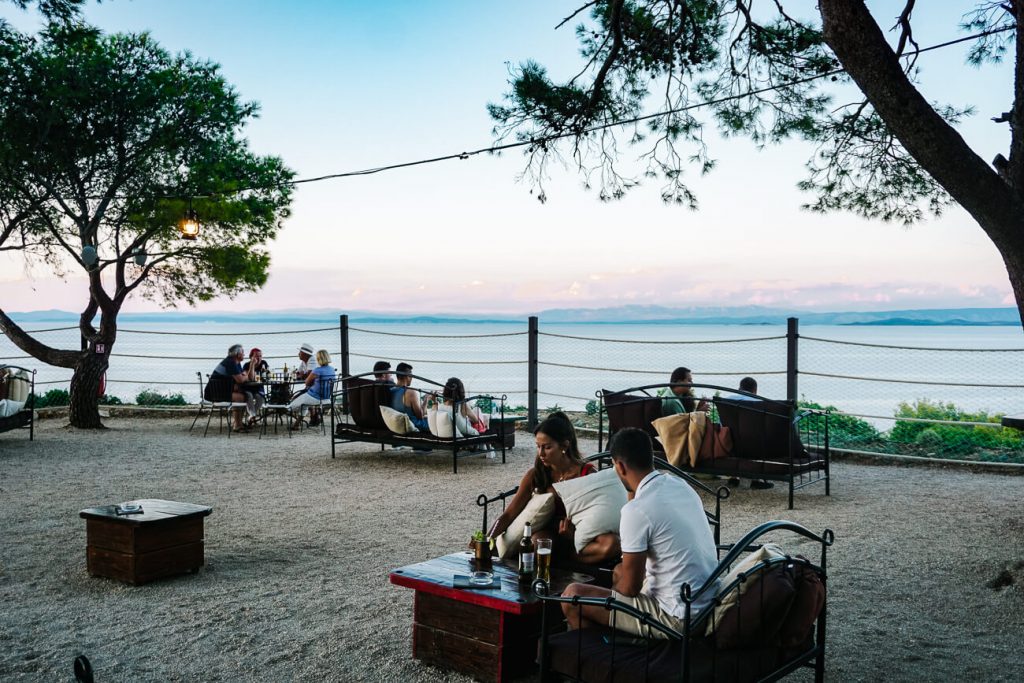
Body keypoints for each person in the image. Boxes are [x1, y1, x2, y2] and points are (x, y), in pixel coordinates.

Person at [560, 428, 719, 638]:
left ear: (620, 466)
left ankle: (603, 653)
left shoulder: (637, 511)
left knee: (572, 595)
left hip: (677, 618)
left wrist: (613, 591)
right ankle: (619, 634)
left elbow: (630, 589)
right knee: (618, 570)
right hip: (705, 601)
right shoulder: (680, 485)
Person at [487, 411, 619, 565]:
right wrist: (486, 539)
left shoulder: (587, 474)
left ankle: (566, 559)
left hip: (579, 533)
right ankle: (564, 560)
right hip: (549, 533)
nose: (541, 453)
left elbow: (598, 514)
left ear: (564, 446)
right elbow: (509, 515)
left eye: (547, 447)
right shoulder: (536, 474)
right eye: (538, 447)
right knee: (537, 542)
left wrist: (574, 535)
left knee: (612, 543)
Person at [729, 377, 774, 490]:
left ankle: (733, 477)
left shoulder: (727, 399)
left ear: (739, 388)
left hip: (728, 441)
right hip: (751, 443)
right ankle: (754, 479)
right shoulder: (757, 401)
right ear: (755, 390)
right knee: (757, 438)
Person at [205, 343, 248, 431]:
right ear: (237, 354)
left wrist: (244, 375)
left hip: (221, 390)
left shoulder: (236, 362)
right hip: (215, 393)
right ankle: (237, 425)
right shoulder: (231, 363)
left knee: (244, 395)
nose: (244, 354)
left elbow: (240, 377)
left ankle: (237, 422)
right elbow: (240, 379)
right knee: (241, 397)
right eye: (243, 352)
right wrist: (247, 375)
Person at [288, 349, 336, 429]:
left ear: (318, 359)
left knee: (290, 406)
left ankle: (307, 418)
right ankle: (296, 425)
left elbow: (307, 383)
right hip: (326, 398)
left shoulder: (317, 370)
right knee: (304, 404)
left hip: (314, 397)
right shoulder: (331, 369)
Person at [389, 362, 429, 432]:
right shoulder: (410, 392)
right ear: (407, 376)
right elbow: (421, 416)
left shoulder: (391, 390)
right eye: (411, 376)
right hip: (413, 426)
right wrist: (426, 400)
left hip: (396, 426)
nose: (412, 378)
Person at [241, 347, 270, 426]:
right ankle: (253, 416)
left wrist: (267, 372)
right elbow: (251, 378)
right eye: (256, 356)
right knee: (249, 396)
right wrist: (252, 365)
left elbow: (267, 376)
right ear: (251, 357)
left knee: (260, 398)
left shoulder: (264, 363)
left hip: (258, 388)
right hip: (248, 388)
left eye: (260, 356)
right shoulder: (246, 365)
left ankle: (251, 416)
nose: (259, 358)